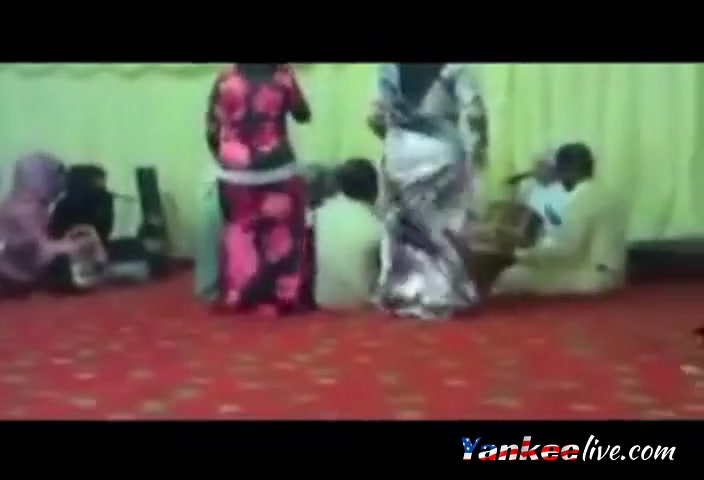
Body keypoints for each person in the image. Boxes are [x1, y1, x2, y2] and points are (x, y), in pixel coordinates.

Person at [368, 63, 487, 319]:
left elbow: (377, 118)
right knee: (444, 222)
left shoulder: (389, 68)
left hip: (400, 152)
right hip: (442, 150)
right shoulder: (454, 67)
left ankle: (403, 292)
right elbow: (475, 113)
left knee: (405, 222)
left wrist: (394, 136)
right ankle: (443, 293)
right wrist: (480, 148)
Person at [205, 63, 312, 315]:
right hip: (276, 166)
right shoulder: (282, 76)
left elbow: (211, 125)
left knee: (238, 231)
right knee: (283, 231)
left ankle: (238, 294)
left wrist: (223, 157)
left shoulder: (225, 77)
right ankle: (281, 296)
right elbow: (303, 114)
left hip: (234, 169)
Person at [494, 143, 627, 296]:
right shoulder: (607, 193)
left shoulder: (582, 197)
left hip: (591, 278)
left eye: (559, 170)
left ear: (568, 168)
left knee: (508, 276)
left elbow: (564, 249)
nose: (558, 177)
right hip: (610, 275)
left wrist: (517, 255)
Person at [0, 153, 93, 297]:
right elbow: (40, 251)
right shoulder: (25, 210)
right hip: (12, 276)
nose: (60, 183)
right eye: (55, 176)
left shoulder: (23, 204)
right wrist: (73, 245)